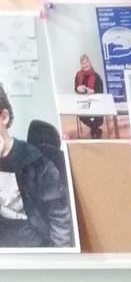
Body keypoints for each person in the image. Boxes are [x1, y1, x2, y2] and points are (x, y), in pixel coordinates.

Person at [0, 79, 73, 246]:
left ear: (4, 117)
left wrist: (59, 256)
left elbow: (59, 218)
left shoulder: (36, 162)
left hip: (30, 242)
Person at [73, 52, 104, 134]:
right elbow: (76, 88)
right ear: (81, 65)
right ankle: (96, 130)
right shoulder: (78, 75)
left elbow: (101, 91)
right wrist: (78, 89)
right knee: (82, 115)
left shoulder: (96, 76)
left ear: (89, 63)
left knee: (99, 119)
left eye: (86, 62)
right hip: (83, 103)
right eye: (83, 63)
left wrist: (93, 91)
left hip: (95, 102)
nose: (85, 65)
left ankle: (94, 130)